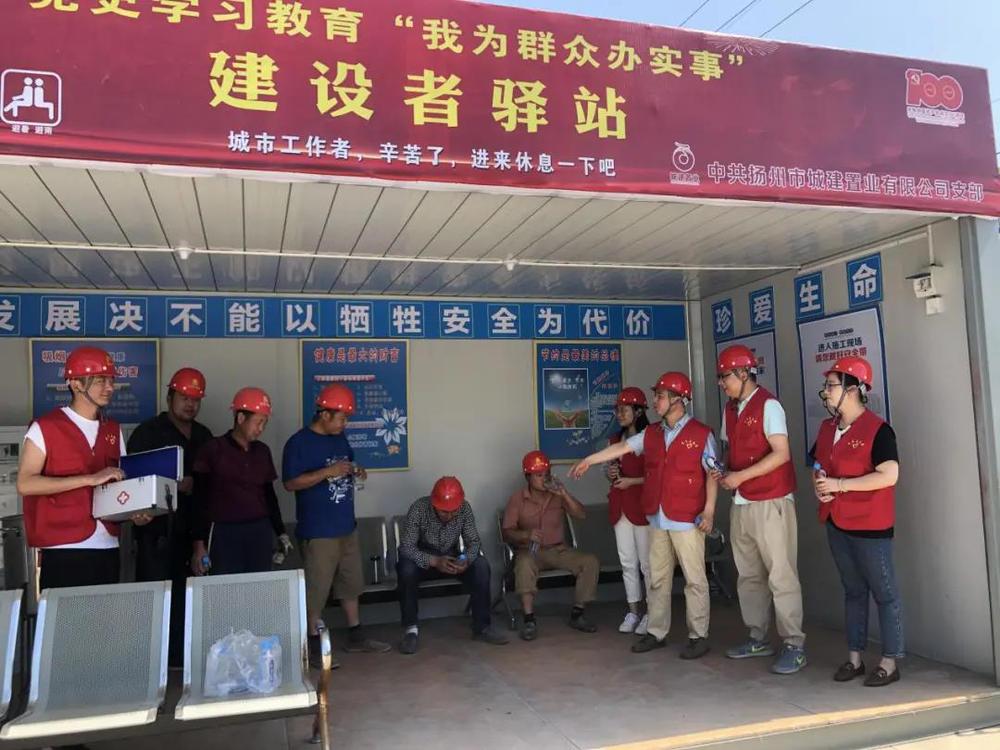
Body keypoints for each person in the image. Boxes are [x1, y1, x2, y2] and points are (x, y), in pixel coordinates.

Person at [571, 372, 718, 660]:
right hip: (657, 518)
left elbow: (713, 473)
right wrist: (589, 460)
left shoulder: (701, 433)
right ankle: (656, 631)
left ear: (679, 400)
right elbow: (623, 447)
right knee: (658, 578)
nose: (655, 401)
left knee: (694, 580)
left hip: (687, 518)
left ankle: (698, 636)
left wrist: (709, 510)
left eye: (660, 396)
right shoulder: (651, 434)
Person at [16, 345, 152, 590]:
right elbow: (25, 483)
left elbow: (120, 487)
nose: (109, 387)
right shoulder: (45, 427)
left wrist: (135, 513)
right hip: (64, 547)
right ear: (75, 384)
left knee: (103, 614)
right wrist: (89, 479)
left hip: (108, 545)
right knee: (63, 615)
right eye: (100, 381)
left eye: (111, 380)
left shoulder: (113, 430)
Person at [714, 344, 806, 674]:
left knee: (781, 574)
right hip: (742, 502)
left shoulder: (769, 405)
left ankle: (794, 644)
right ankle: (757, 636)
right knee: (749, 574)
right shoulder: (730, 409)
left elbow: (781, 453)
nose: (722, 383)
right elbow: (729, 449)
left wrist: (740, 476)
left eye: (725, 376)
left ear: (743, 373)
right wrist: (723, 469)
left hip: (771, 500)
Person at [811, 356, 903, 687]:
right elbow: (818, 465)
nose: (826, 392)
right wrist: (820, 486)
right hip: (837, 523)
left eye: (831, 385)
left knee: (885, 593)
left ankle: (890, 662)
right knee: (853, 591)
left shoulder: (878, 430)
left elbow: (889, 475)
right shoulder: (827, 429)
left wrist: (840, 485)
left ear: (853, 390)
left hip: (870, 526)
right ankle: (854, 658)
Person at [282, 383, 390, 658]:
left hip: (346, 526)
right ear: (324, 414)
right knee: (317, 590)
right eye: (341, 418)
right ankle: (312, 645)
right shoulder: (299, 443)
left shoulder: (340, 438)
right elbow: (290, 483)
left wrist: (356, 470)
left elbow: (346, 464)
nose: (345, 424)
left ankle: (356, 635)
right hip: (319, 531)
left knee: (350, 585)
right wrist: (327, 472)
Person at [127, 367, 214, 667]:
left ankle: (183, 659)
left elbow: (209, 487)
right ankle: (153, 663)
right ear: (169, 397)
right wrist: (172, 486)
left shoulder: (203, 436)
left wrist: (201, 540)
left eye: (196, 399)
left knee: (189, 598)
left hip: (194, 532)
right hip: (156, 533)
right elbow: (132, 482)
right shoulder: (148, 433)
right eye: (184, 398)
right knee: (155, 598)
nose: (190, 404)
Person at [396, 476, 509, 654]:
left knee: (480, 566)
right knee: (406, 569)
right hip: (423, 560)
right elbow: (406, 548)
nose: (449, 516)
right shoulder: (418, 508)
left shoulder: (464, 509)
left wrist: (466, 560)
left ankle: (482, 627)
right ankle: (411, 631)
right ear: (434, 503)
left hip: (451, 558)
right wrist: (434, 561)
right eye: (444, 512)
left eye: (453, 511)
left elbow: (474, 542)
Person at [502, 450, 600, 640]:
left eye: (546, 474)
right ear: (528, 477)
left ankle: (577, 614)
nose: (544, 479)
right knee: (523, 564)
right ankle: (529, 620)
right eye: (538, 475)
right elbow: (507, 532)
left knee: (590, 561)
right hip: (531, 552)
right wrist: (526, 534)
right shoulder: (517, 499)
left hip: (558, 550)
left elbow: (581, 514)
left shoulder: (557, 494)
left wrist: (564, 493)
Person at [191, 387, 287, 576]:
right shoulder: (213, 450)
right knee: (226, 588)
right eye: (258, 422)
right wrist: (198, 545)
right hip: (224, 533)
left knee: (258, 585)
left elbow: (269, 495)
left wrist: (280, 531)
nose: (261, 429)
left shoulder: (263, 451)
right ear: (241, 418)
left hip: (259, 531)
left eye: (265, 423)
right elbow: (199, 500)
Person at [606, 387, 651, 634]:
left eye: (625, 409)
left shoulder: (651, 437)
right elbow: (609, 472)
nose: (620, 414)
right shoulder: (614, 440)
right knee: (627, 562)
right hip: (620, 506)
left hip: (642, 507)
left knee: (647, 564)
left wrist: (632, 481)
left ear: (639, 411)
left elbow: (657, 475)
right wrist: (610, 472)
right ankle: (634, 611)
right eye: (618, 409)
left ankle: (653, 612)